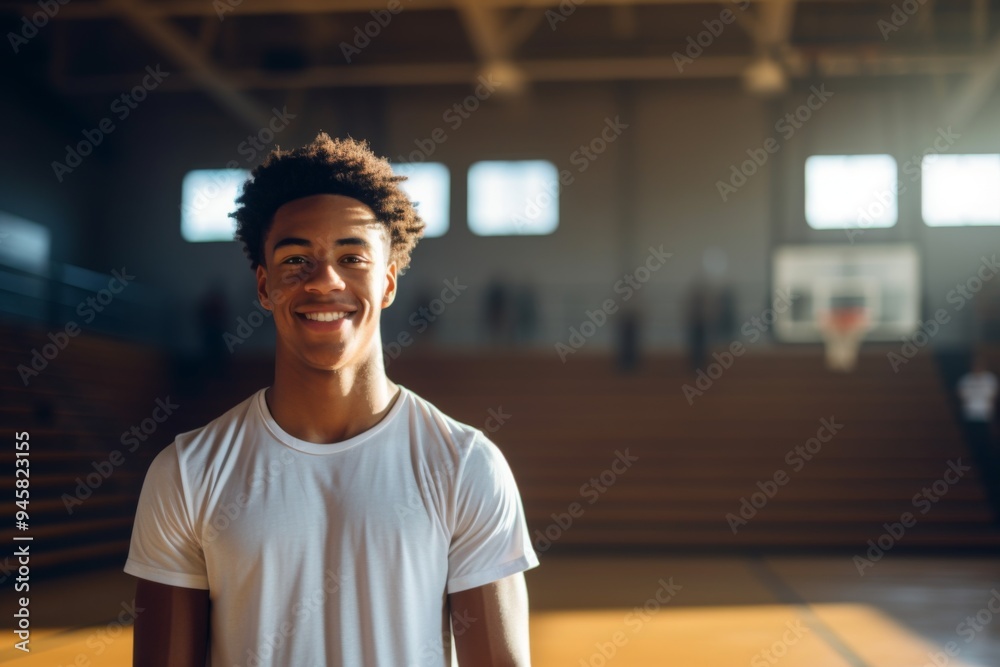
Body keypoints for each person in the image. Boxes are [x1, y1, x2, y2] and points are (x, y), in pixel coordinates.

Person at [125, 133, 539, 666]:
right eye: (296, 258)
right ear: (263, 284)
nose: (324, 280)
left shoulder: (466, 465)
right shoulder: (186, 473)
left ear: (388, 282)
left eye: (352, 256)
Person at [957, 356, 1000, 521]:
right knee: (974, 439)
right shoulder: (967, 379)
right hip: (971, 413)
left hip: (984, 414)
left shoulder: (989, 379)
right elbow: (961, 393)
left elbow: (993, 395)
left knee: (984, 439)